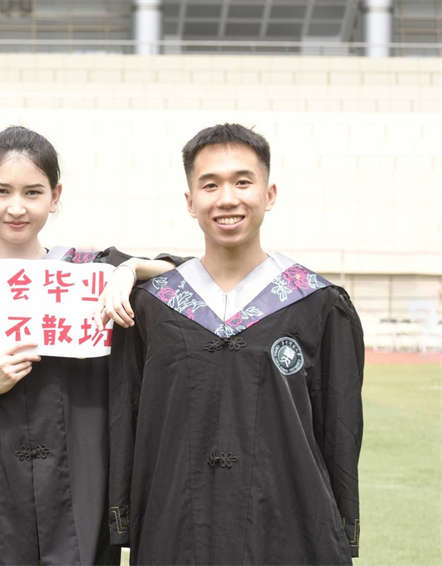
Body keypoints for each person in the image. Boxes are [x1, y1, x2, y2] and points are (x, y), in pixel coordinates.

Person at [0, 126, 175, 565]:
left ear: (55, 195)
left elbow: (187, 276)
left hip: (79, 489)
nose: (16, 207)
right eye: (1, 191)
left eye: (33, 192)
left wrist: (134, 269)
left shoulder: (91, 277)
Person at [107, 123, 364, 564]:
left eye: (243, 182)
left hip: (288, 531)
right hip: (175, 530)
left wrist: (338, 530)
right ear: (190, 202)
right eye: (210, 185)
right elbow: (124, 422)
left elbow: (339, 432)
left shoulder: (317, 304)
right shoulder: (151, 307)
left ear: (270, 193)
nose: (227, 198)